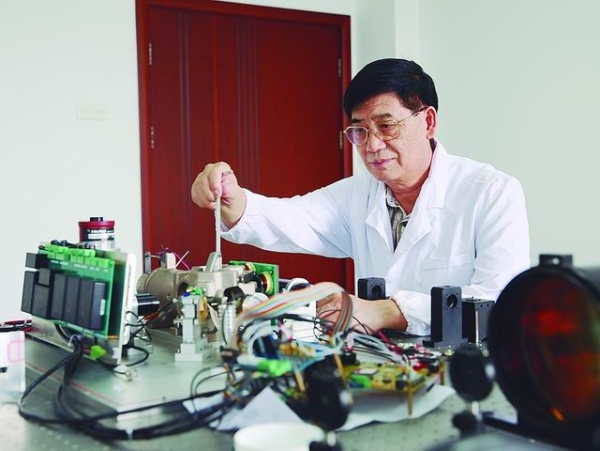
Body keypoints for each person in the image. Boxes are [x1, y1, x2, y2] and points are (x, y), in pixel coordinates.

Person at [191, 58, 530, 336]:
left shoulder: (490, 192)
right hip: (381, 366)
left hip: (467, 373)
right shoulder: (356, 195)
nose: (372, 145)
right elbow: (287, 219)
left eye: (387, 126)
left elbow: (499, 299)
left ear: (428, 122)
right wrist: (232, 198)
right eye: (359, 131)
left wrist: (387, 311)